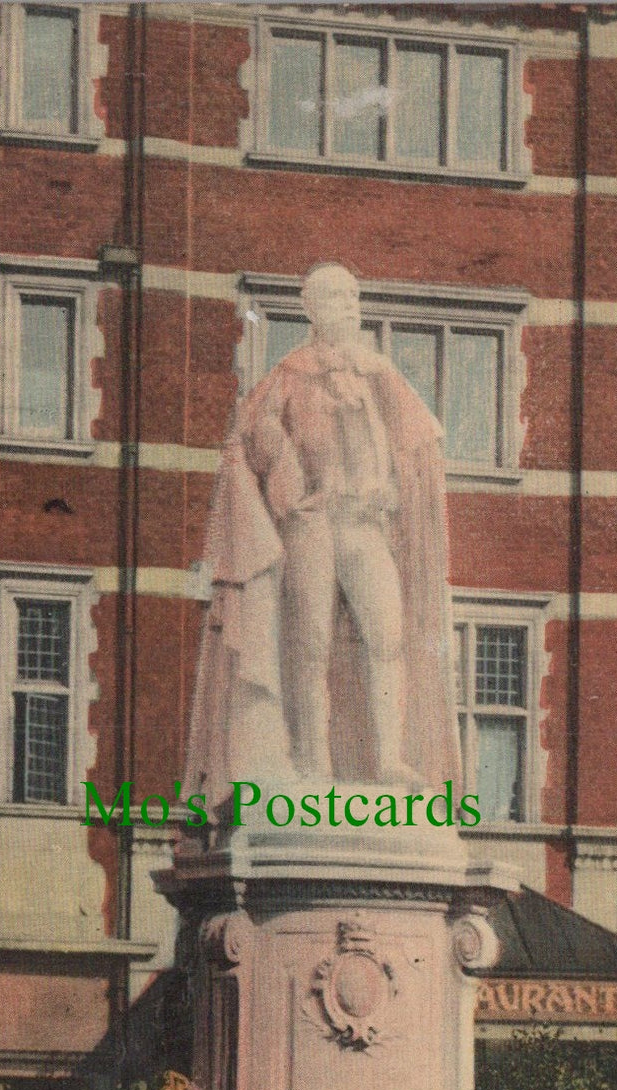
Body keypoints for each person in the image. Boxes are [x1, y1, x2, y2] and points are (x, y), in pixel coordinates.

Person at [185, 262, 461, 811]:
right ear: (313, 309)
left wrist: (399, 486)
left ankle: (387, 758)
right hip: (312, 524)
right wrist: (285, 471)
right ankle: (312, 761)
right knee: (308, 645)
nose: (351, 305)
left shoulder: (378, 374)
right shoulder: (289, 373)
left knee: (388, 636)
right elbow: (252, 439)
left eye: (354, 295)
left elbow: (414, 441)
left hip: (364, 523)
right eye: (338, 297)